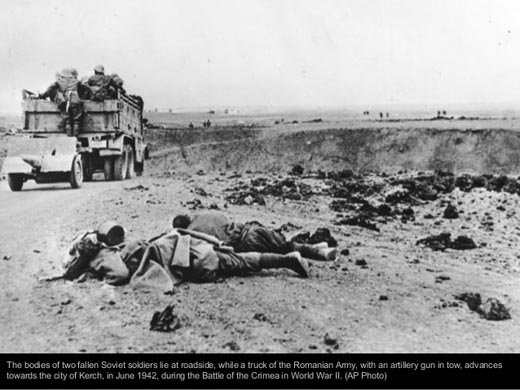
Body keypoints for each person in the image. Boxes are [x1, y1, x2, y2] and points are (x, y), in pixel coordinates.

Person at [63, 226, 309, 292]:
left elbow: (120, 275)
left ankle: (288, 260)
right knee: (239, 260)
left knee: (239, 264)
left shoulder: (103, 255)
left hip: (183, 259)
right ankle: (287, 260)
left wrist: (103, 278)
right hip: (179, 244)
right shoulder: (119, 242)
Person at [172, 212, 337, 261]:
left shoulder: (193, 232)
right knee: (285, 244)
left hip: (246, 243)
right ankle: (319, 247)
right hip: (252, 229)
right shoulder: (206, 215)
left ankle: (320, 253)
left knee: (284, 251)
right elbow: (225, 220)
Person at [37, 68, 89, 136]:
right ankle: (75, 139)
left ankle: (70, 140)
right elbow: (86, 88)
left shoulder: (59, 81)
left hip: (65, 102)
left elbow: (50, 89)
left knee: (68, 122)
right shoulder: (76, 81)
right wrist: (82, 98)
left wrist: (42, 96)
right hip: (75, 102)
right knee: (76, 122)